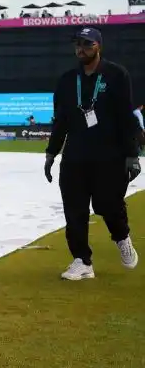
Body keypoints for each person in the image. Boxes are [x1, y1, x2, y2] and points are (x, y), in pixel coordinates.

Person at [44, 27, 140, 280]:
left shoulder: (116, 74)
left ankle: (122, 237)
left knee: (107, 204)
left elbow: (125, 116)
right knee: (74, 209)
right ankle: (82, 261)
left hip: (110, 154)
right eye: (77, 44)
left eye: (87, 44)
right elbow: (61, 120)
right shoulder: (66, 80)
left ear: (98, 46)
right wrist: (51, 153)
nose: (81, 49)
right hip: (75, 155)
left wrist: (132, 155)